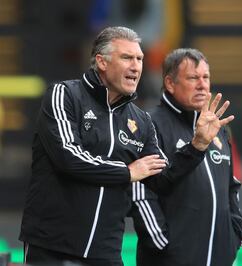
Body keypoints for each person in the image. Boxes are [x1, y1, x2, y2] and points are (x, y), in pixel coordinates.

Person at [19, 27, 226, 266]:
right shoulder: (64, 95)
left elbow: (162, 178)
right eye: (127, 57)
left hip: (105, 251)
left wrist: (197, 146)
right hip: (52, 246)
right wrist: (127, 172)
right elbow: (68, 157)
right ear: (102, 62)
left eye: (139, 59)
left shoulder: (141, 120)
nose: (136, 66)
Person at [130, 48, 242, 266]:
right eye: (193, 78)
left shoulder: (218, 128)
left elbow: (232, 185)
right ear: (170, 84)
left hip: (219, 256)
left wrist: (234, 235)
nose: (202, 84)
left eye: (206, 77)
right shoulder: (150, 124)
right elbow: (139, 190)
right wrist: (162, 243)